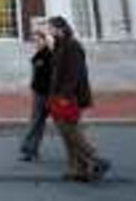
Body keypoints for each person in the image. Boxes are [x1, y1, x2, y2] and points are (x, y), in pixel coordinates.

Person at [45, 15, 110, 182]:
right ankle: (77, 169)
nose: (49, 31)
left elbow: (75, 74)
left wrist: (65, 95)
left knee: (71, 130)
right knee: (66, 133)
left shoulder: (73, 46)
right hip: (57, 95)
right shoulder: (59, 46)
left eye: (50, 28)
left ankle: (95, 158)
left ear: (60, 28)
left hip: (69, 96)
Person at [18, 25, 53, 161]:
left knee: (65, 126)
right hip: (39, 93)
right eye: (34, 40)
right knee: (37, 122)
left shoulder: (49, 55)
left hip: (47, 94)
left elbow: (51, 75)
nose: (36, 43)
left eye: (38, 40)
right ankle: (31, 150)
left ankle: (83, 152)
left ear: (45, 40)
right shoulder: (39, 54)